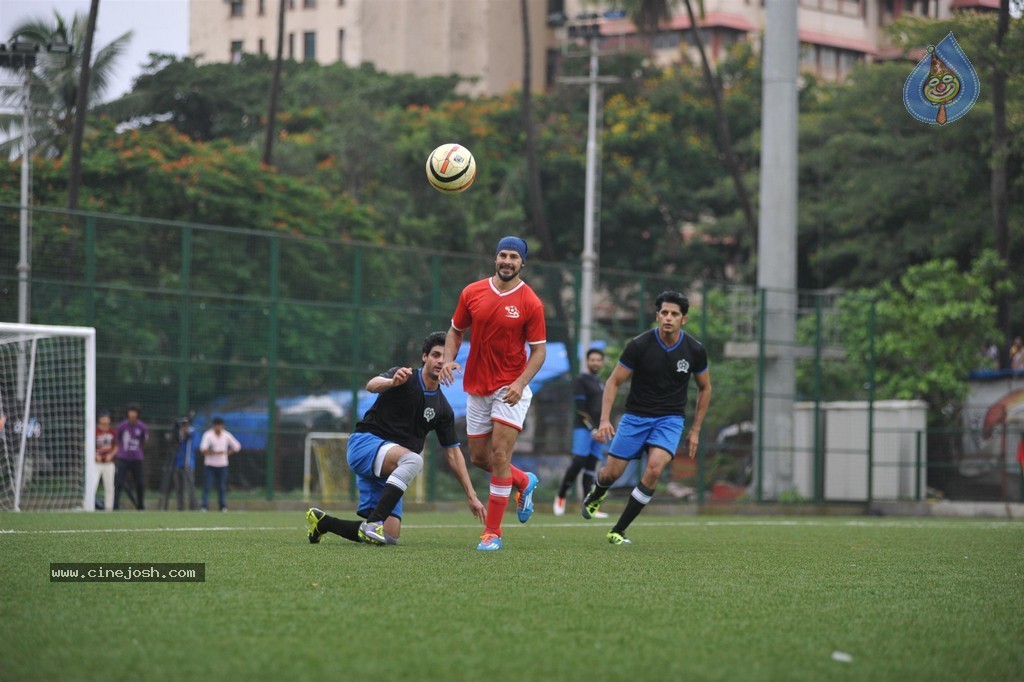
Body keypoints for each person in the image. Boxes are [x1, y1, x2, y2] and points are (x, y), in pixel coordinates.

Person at [306, 331, 485, 545]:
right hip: (366, 445)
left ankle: (324, 523)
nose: (440, 361)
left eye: (445, 357)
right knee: (414, 460)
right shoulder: (405, 376)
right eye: (435, 355)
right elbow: (372, 384)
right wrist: (392, 382)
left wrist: (471, 495)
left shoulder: (443, 409)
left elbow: (453, 453)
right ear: (424, 357)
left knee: (389, 537)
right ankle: (373, 522)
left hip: (391, 467)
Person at [439, 236, 547, 551]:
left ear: (522, 263)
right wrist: (447, 360)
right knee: (481, 458)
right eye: (503, 255)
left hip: (511, 388)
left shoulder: (531, 302)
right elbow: (455, 332)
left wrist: (520, 382)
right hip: (477, 385)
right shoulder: (471, 292)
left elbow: (538, 352)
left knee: (500, 456)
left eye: (514, 256)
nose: (507, 261)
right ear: (495, 258)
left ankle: (493, 534)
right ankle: (524, 481)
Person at [582, 290, 712, 545]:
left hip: (670, 420)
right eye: (664, 312)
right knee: (611, 474)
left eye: (675, 314)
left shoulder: (694, 350)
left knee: (654, 469)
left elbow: (705, 388)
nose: (668, 318)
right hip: (635, 418)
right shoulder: (639, 345)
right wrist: (605, 420)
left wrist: (695, 430)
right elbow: (613, 381)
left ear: (683, 319)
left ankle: (618, 530)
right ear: (657, 315)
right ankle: (597, 493)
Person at [553, 348, 609, 518]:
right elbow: (580, 408)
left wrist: (602, 427)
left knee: (592, 466)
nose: (596, 363)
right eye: (592, 360)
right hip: (583, 428)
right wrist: (591, 427)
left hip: (599, 431)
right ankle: (561, 496)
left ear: (602, 362)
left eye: (599, 360)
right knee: (578, 462)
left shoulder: (601, 382)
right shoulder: (581, 380)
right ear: (587, 361)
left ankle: (589, 505)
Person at [199, 417, 241, 512]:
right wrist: (214, 453)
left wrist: (227, 453)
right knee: (207, 486)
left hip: (222, 465)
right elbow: (203, 449)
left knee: (222, 487)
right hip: (210, 465)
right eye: (216, 425)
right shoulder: (208, 435)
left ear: (222, 426)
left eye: (220, 425)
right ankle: (204, 506)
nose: (218, 427)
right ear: (214, 426)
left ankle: (222, 506)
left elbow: (237, 446)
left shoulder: (226, 435)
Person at [113, 403, 149, 510]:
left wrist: (138, 451)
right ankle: (116, 506)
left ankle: (141, 506)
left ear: (137, 414)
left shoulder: (142, 427)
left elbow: (144, 441)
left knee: (139, 483)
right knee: (119, 482)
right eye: (131, 411)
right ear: (128, 413)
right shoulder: (121, 426)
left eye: (135, 412)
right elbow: (117, 440)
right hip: (123, 457)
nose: (133, 414)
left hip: (137, 458)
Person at [92, 410, 118, 511]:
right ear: (99, 419)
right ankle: (88, 506)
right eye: (103, 418)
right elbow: (88, 444)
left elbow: (116, 446)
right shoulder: (94, 431)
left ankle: (109, 508)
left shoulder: (112, 432)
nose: (105, 420)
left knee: (110, 487)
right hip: (96, 463)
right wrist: (94, 454)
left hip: (109, 463)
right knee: (92, 484)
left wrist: (111, 455)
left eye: (106, 418)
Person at [172, 417, 199, 510]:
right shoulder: (178, 432)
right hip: (178, 463)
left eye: (185, 424)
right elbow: (175, 437)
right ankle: (180, 507)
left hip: (188, 463)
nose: (183, 426)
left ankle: (194, 507)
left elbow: (189, 433)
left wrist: (185, 429)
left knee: (190, 486)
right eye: (182, 424)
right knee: (179, 487)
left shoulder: (191, 431)